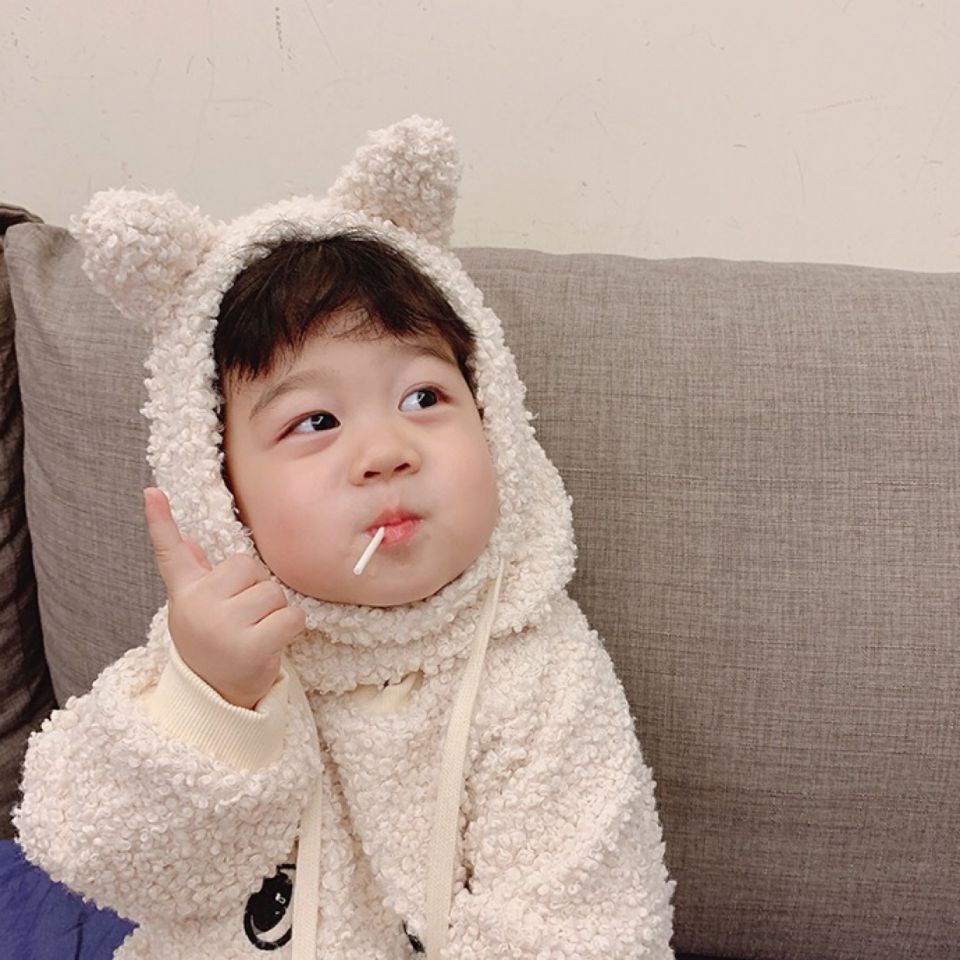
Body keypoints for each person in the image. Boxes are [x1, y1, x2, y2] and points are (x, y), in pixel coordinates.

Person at [14, 116, 675, 959]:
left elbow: (587, 932)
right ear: (220, 487)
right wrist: (213, 702)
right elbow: (105, 858)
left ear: (497, 423)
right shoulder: (219, 653)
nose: (386, 452)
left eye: (424, 399)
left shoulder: (543, 676)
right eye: (315, 421)